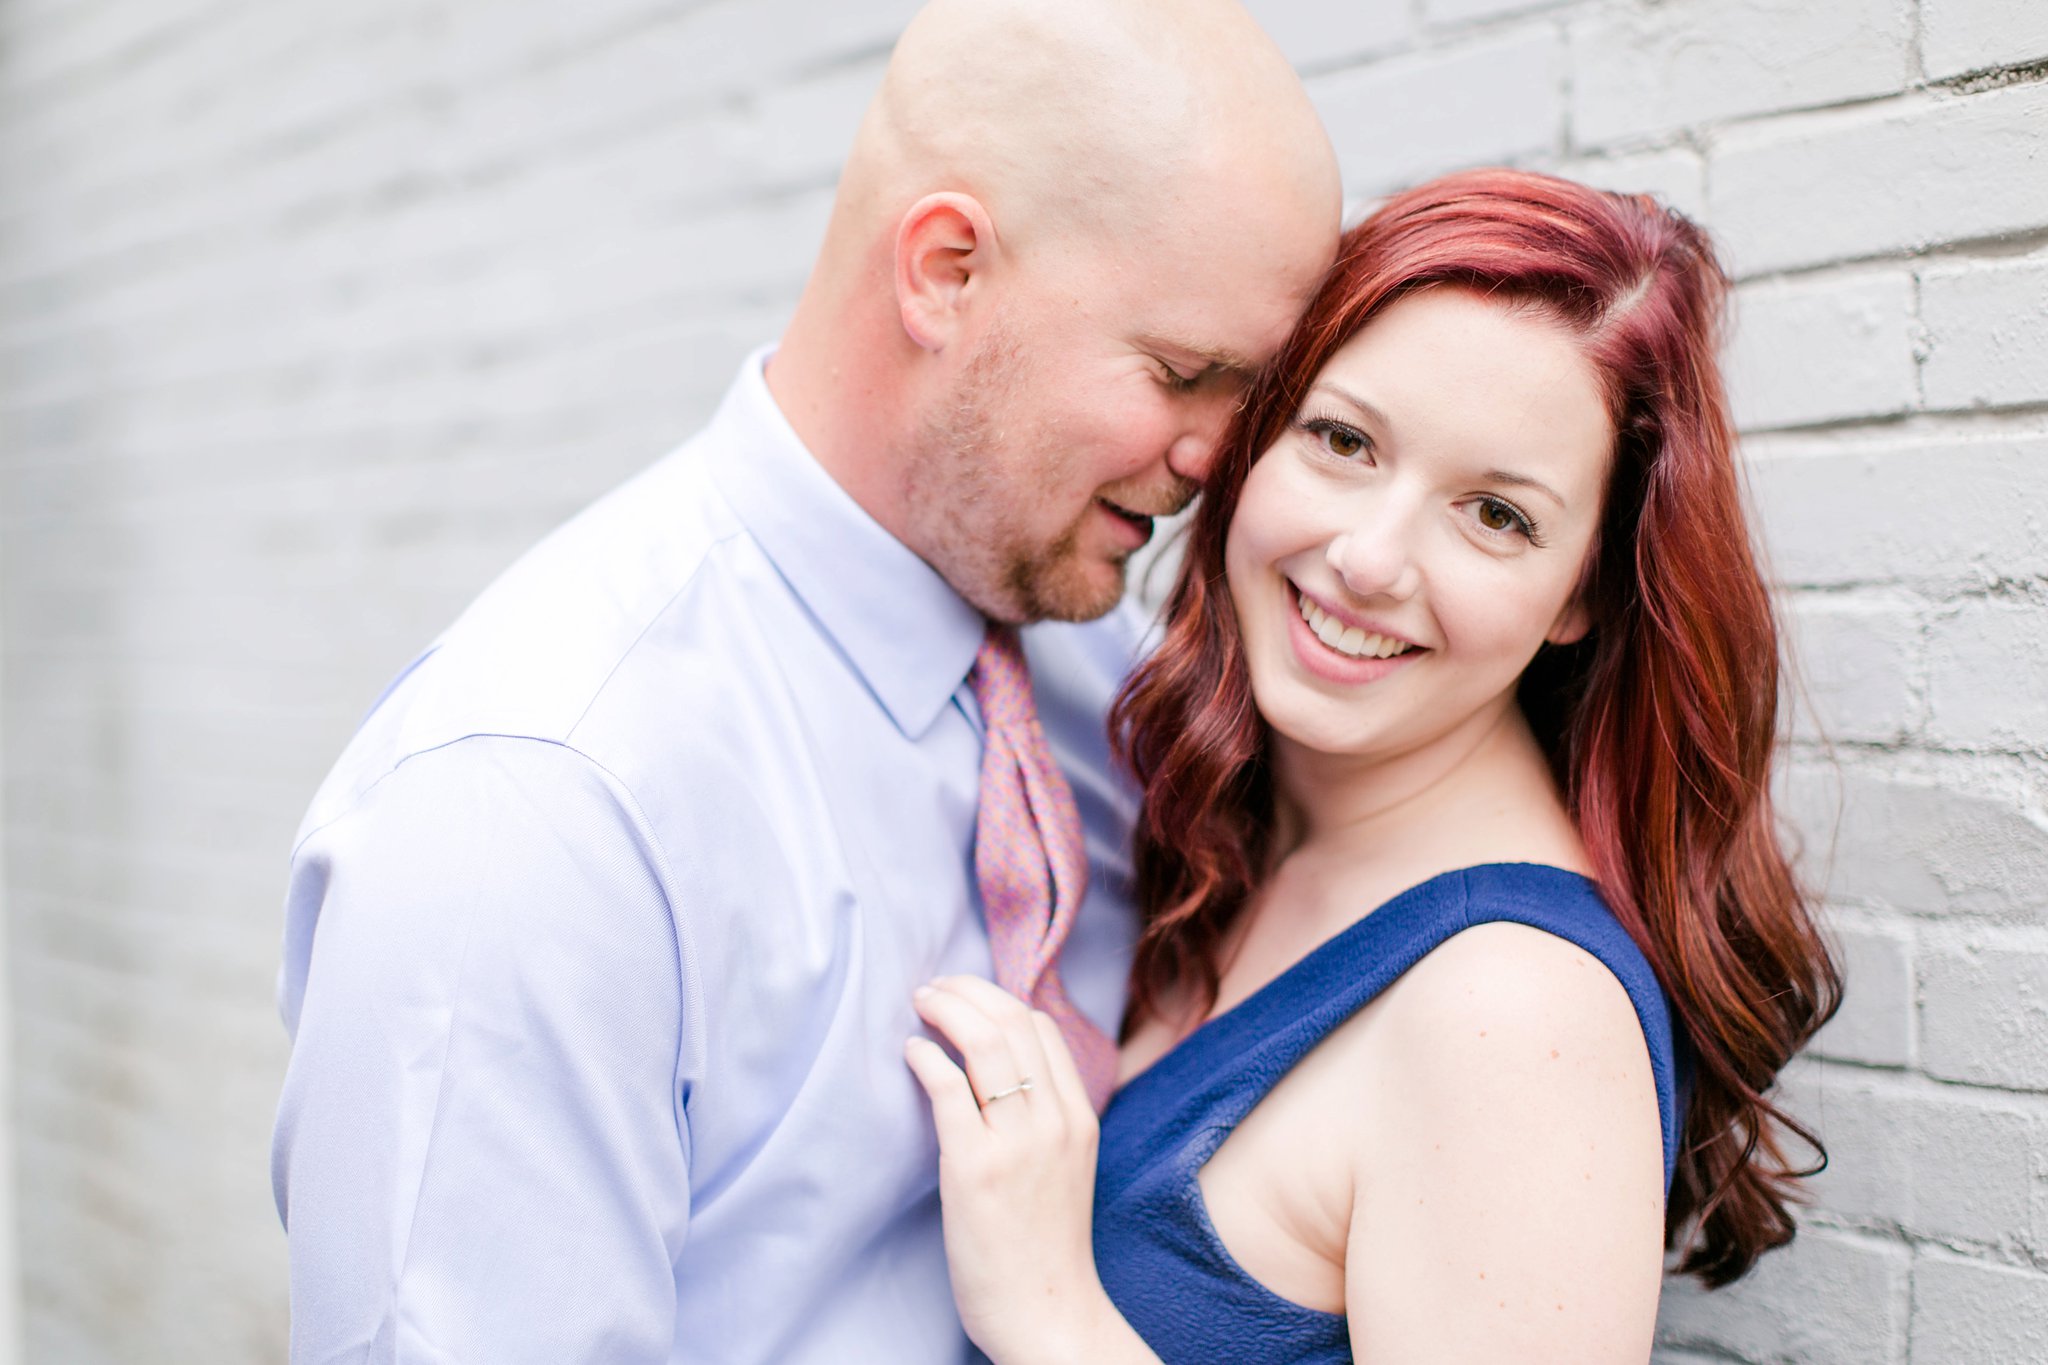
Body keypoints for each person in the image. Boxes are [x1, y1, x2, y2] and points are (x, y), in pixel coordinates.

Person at [268, 2, 1340, 1361]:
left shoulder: (1108, 688)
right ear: (947, 271)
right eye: (1188, 375)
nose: (1215, 461)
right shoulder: (540, 805)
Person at [905, 168, 1843, 1364]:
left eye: (1494, 515)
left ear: (1581, 595)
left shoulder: (1510, 1017)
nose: (1367, 557)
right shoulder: (1225, 821)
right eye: (1343, 441)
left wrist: (1048, 1316)